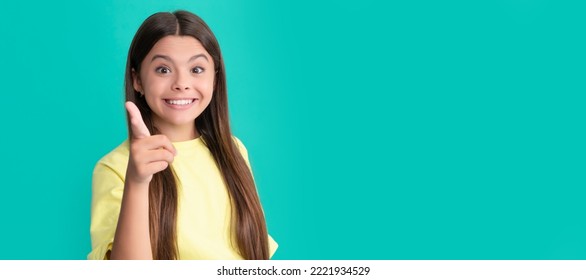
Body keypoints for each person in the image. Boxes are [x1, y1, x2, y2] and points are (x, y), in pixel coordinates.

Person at [88, 10, 278, 260]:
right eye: (163, 70)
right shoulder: (114, 168)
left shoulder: (233, 150)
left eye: (197, 69)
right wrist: (137, 181)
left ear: (215, 80)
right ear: (137, 80)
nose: (181, 83)